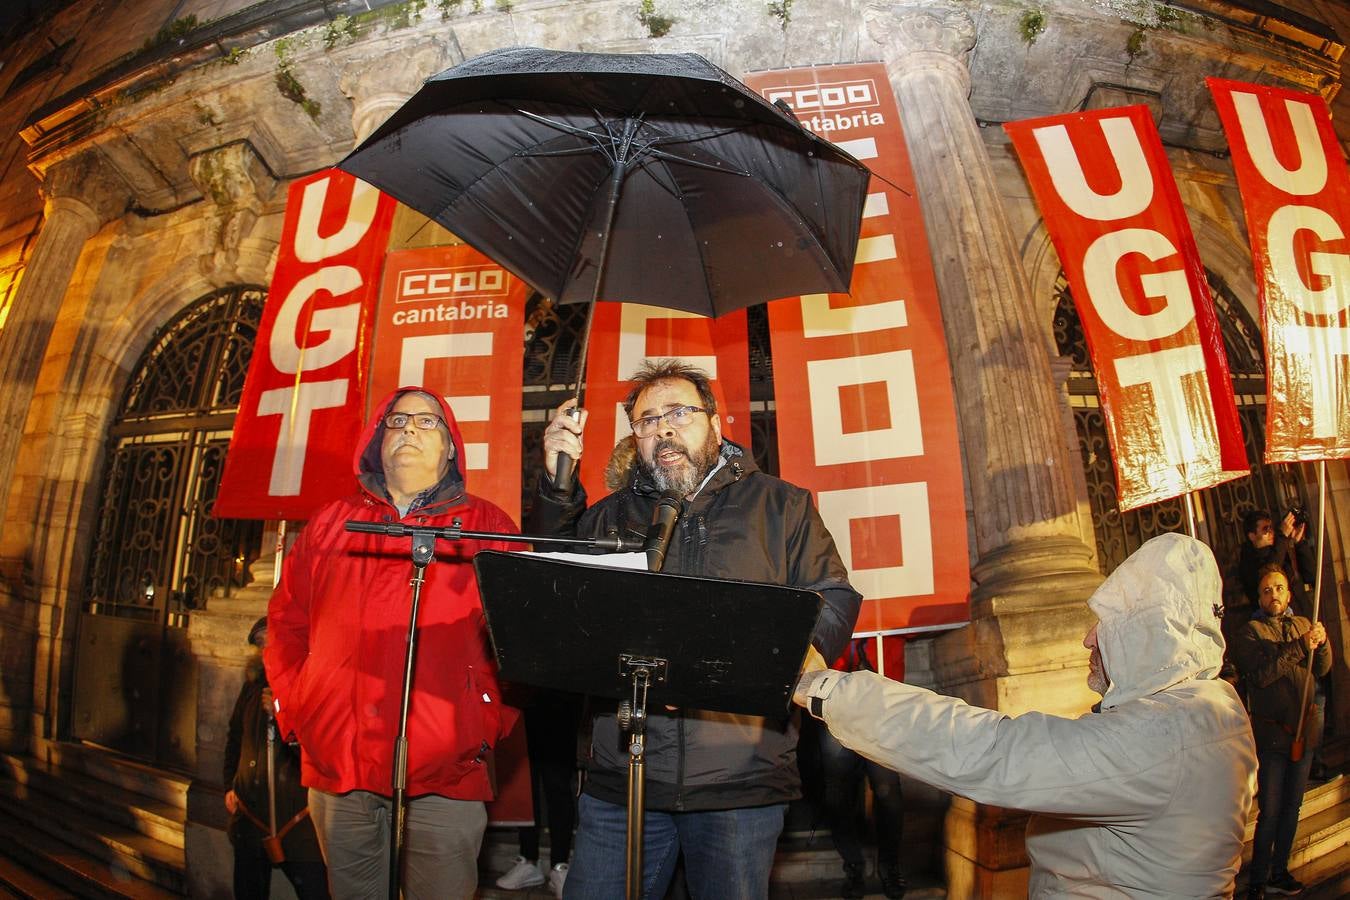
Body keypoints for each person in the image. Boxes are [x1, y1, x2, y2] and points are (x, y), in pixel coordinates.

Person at [528, 360, 861, 899]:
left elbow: (832, 598)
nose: (663, 428)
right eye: (646, 419)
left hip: (740, 778)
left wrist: (766, 671)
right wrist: (557, 487)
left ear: (715, 421)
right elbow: (555, 593)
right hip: (623, 780)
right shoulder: (609, 518)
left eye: (679, 412)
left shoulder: (781, 505)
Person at [794, 533, 1258, 897]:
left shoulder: (1168, 734)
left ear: (1151, 634)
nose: (1088, 639)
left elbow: (991, 751)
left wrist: (825, 689)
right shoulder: (1210, 708)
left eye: (1109, 624)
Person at [265, 387, 520, 899]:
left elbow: (521, 641)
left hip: (447, 772)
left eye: (428, 423)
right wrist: (299, 711)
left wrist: (483, 721)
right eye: (397, 421)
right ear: (377, 441)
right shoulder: (331, 523)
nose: (409, 430)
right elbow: (286, 625)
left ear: (451, 447)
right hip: (339, 765)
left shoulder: (487, 527)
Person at [1230, 564, 1332, 899]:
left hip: (1305, 730)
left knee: (1293, 806)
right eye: (1267, 590)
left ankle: (1280, 871)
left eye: (1280, 588)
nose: (1274, 594)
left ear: (1288, 592)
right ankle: (1258, 878)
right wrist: (1301, 646)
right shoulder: (1250, 632)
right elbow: (1262, 676)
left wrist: (1323, 643)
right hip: (1273, 735)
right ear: (1259, 596)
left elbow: (1321, 668)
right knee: (1271, 808)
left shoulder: (1303, 623)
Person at [224, 617, 329, 900]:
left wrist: (286, 716)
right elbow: (235, 738)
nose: (266, 651)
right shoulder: (253, 687)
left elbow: (321, 751)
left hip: (298, 823)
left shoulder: (311, 686)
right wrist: (230, 785)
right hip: (250, 817)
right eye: (261, 645)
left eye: (272, 643)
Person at [815, 637, 906, 900]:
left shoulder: (890, 602)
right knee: (837, 793)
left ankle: (889, 867)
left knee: (888, 792)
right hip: (836, 704)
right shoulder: (836, 605)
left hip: (883, 706)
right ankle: (853, 866)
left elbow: (923, 613)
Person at [494, 688, 583, 898]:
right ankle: (528, 859)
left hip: (562, 702)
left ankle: (559, 865)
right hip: (524, 701)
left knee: (557, 785)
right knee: (525, 784)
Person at [1239, 508, 1316, 617]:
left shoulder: (1280, 549)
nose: (1271, 532)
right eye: (1265, 529)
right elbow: (1270, 572)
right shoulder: (1248, 561)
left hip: (1303, 617)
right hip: (1276, 623)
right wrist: (1282, 536)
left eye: (1271, 528)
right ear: (1252, 536)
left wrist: (1300, 544)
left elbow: (1312, 576)